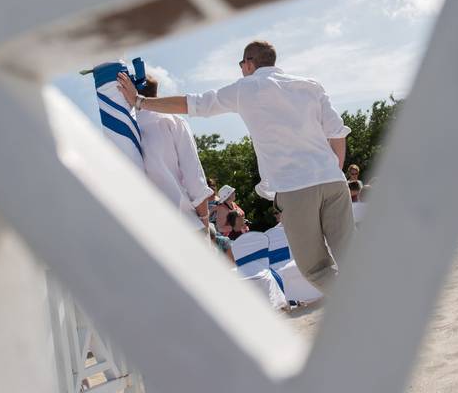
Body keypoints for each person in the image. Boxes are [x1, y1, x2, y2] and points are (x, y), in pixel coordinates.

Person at [117, 40, 354, 292]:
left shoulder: (246, 88)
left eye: (241, 64)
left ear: (249, 63)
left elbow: (193, 103)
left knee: (316, 269)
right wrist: (335, 169)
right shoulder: (310, 85)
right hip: (333, 182)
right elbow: (337, 133)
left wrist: (140, 101)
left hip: (295, 187)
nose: (241, 69)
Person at [135, 75, 213, 232]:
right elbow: (193, 176)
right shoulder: (173, 121)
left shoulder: (127, 129)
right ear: (156, 94)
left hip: (147, 228)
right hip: (183, 222)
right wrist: (205, 221)